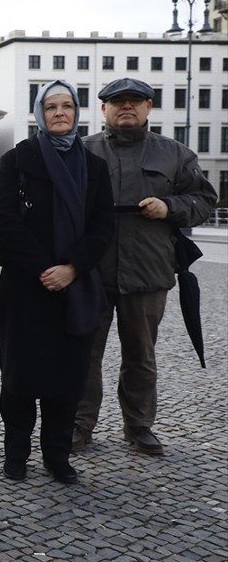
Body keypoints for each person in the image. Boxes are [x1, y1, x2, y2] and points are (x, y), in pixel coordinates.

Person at [73, 77, 217, 456]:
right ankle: (79, 424)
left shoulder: (174, 153)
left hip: (148, 270)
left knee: (140, 354)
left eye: (135, 101)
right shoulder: (80, 151)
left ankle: (139, 426)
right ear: (102, 108)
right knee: (85, 353)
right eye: (117, 102)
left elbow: (203, 200)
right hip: (91, 272)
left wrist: (170, 207)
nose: (126, 107)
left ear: (148, 108)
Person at [0, 80, 115, 484]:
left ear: (77, 113)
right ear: (39, 113)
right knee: (21, 377)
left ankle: (57, 456)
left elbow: (103, 225)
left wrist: (73, 268)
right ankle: (16, 455)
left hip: (75, 289)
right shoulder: (18, 158)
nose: (59, 113)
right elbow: (3, 221)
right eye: (50, 107)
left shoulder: (94, 166)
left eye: (66, 106)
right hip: (26, 289)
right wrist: (46, 270)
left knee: (66, 380)